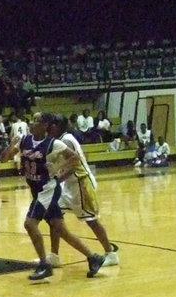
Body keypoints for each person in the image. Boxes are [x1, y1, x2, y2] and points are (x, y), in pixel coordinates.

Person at [2, 113, 105, 281]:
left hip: (47, 190)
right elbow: (3, 159)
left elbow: (75, 157)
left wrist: (58, 167)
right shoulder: (24, 140)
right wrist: (10, 145)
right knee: (60, 229)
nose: (31, 123)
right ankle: (94, 257)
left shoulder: (53, 143)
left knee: (29, 224)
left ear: (45, 125)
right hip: (37, 189)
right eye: (32, 119)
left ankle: (44, 265)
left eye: (36, 120)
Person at [42, 114, 119, 269]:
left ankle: (111, 254)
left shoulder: (66, 140)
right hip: (70, 186)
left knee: (91, 220)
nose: (47, 130)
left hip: (81, 183)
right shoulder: (61, 140)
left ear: (56, 127)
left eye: (50, 127)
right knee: (54, 217)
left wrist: (57, 179)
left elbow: (73, 166)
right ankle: (54, 256)